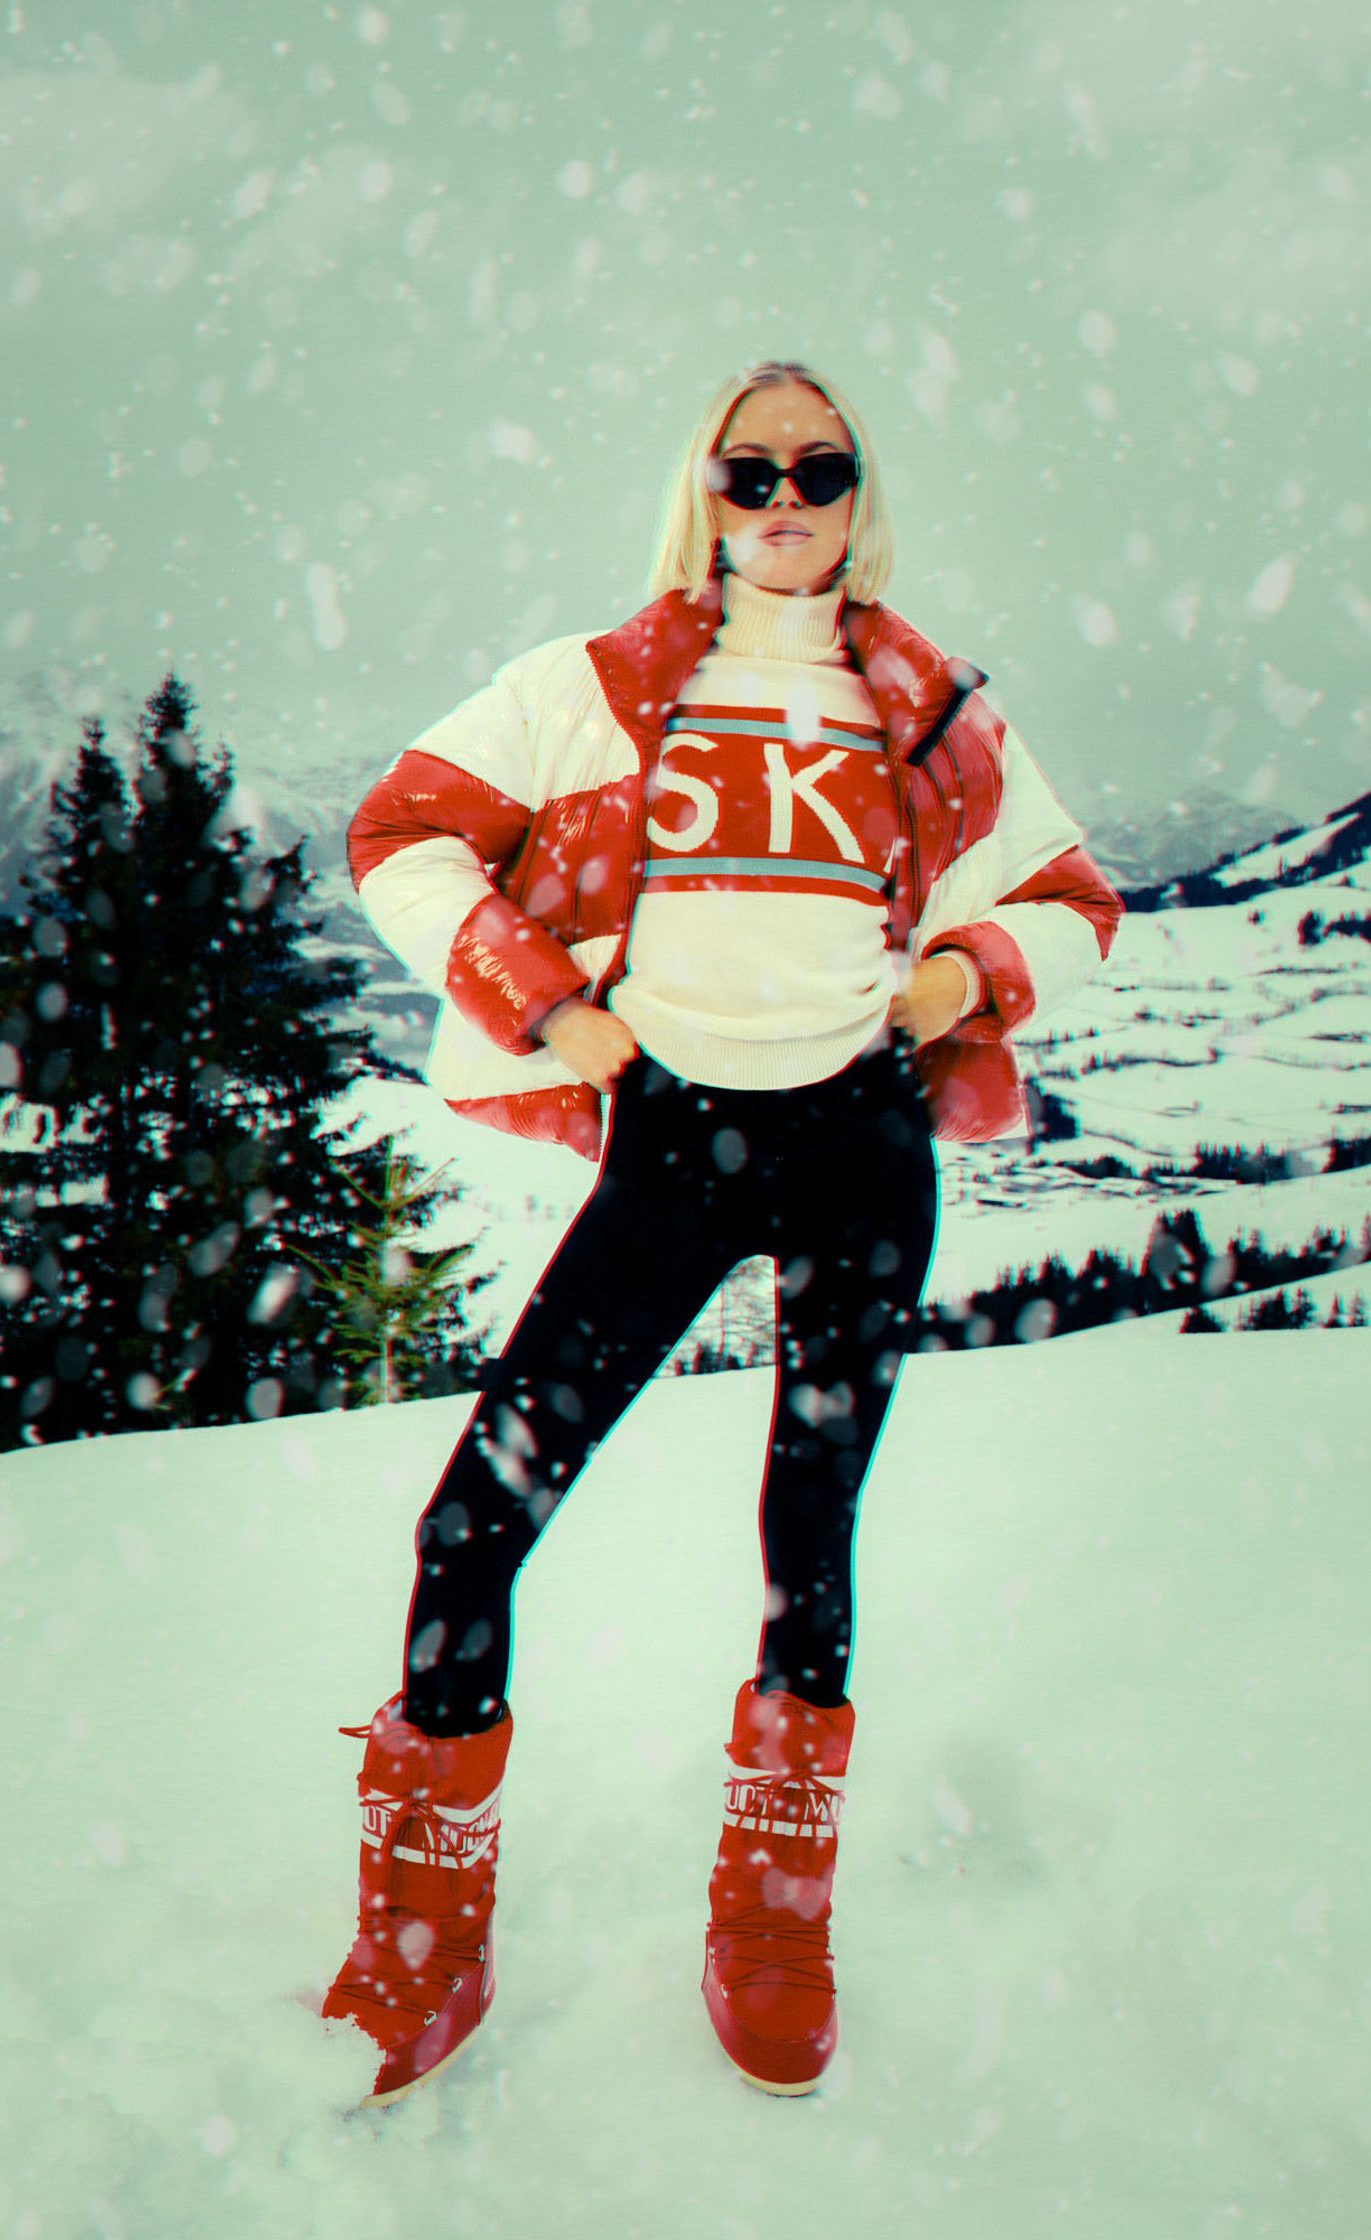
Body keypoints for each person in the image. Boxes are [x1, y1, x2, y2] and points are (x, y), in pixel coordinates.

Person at [322, 360, 1122, 2103]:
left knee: (806, 1539)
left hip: (856, 1144)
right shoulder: (596, 687)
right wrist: (552, 1010)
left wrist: (955, 978)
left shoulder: (920, 697)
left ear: (855, 494)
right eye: (746, 469)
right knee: (474, 1521)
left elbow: (1072, 899)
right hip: (672, 1137)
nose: (780, 502)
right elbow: (400, 836)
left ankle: (770, 1909)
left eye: (814, 470)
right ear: (703, 488)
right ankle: (424, 1923)